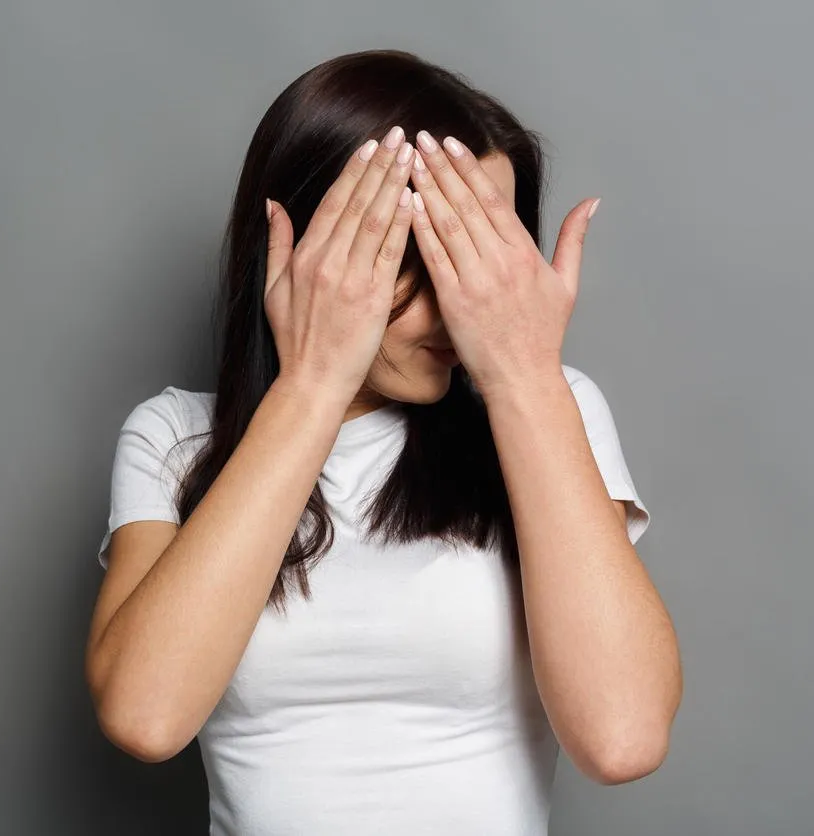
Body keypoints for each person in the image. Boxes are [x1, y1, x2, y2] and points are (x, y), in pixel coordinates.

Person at [84, 49, 682, 835]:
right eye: (414, 254)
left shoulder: (550, 411)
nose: (458, 306)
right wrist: (312, 384)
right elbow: (146, 717)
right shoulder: (175, 436)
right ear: (300, 248)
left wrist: (524, 379)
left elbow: (623, 737)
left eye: (480, 256)